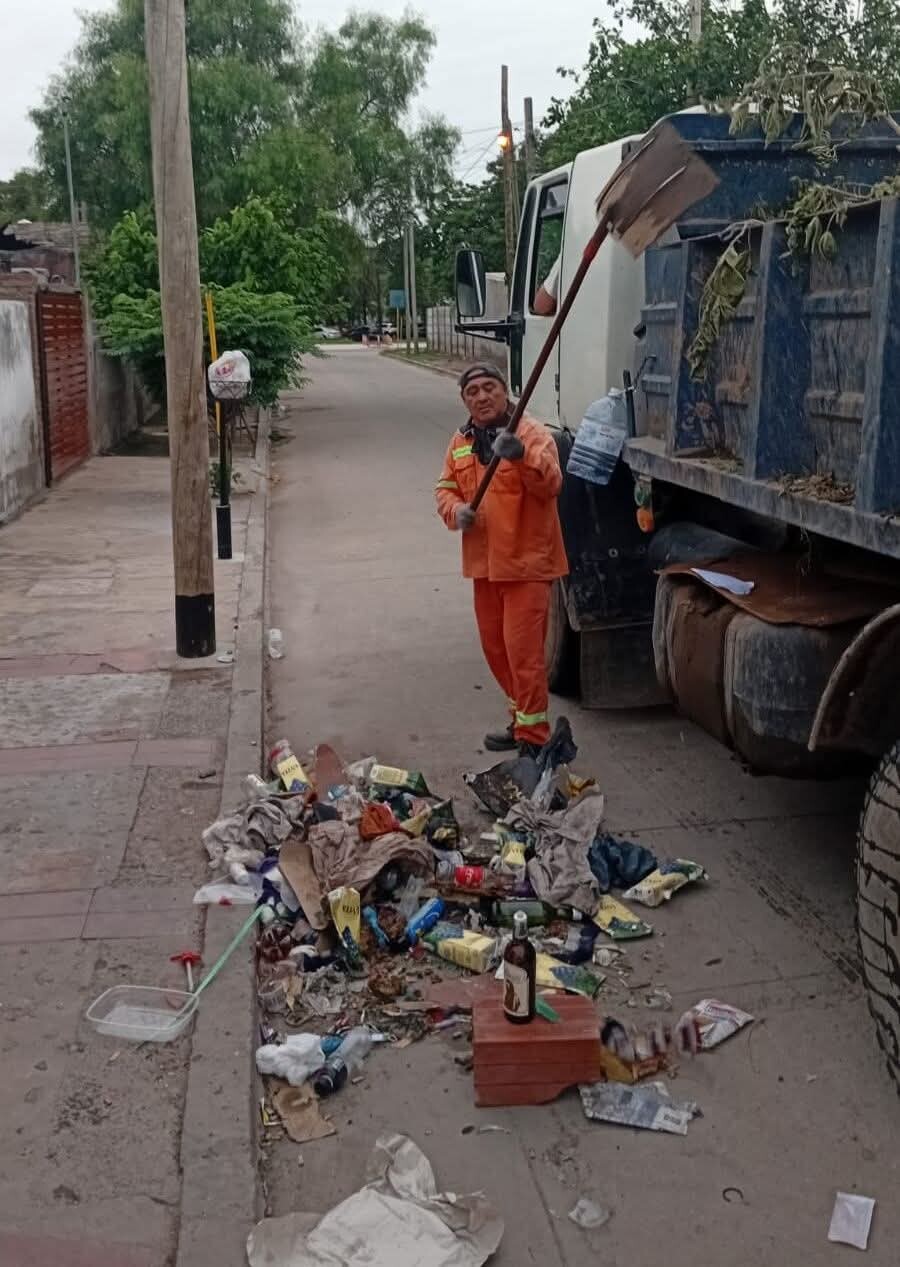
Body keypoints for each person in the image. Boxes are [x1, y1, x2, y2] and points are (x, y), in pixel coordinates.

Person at [434, 363, 568, 756]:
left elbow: (551, 484)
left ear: (505, 391)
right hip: (485, 568)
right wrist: (455, 511)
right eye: (472, 391)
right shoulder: (460, 442)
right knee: (497, 652)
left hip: (527, 566)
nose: (481, 396)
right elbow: (444, 488)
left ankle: (535, 739)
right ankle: (521, 720)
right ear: (464, 400)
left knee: (524, 655)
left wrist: (522, 456)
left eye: (489, 387)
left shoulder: (530, 433)